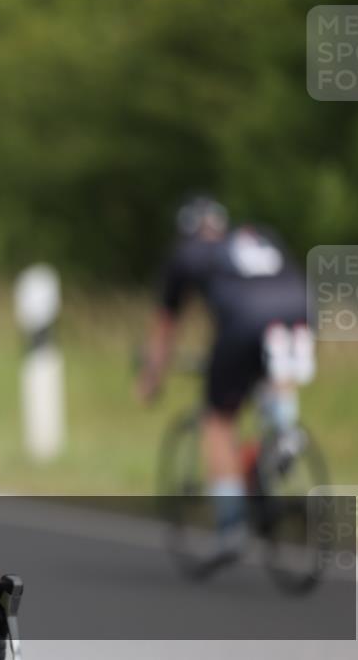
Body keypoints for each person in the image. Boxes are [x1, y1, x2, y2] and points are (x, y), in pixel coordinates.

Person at [136, 196, 314, 564]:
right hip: (300, 310)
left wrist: (152, 375)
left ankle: (230, 526)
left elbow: (166, 326)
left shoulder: (185, 254)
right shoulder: (257, 236)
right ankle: (283, 431)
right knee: (274, 371)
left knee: (217, 420)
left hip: (242, 324)